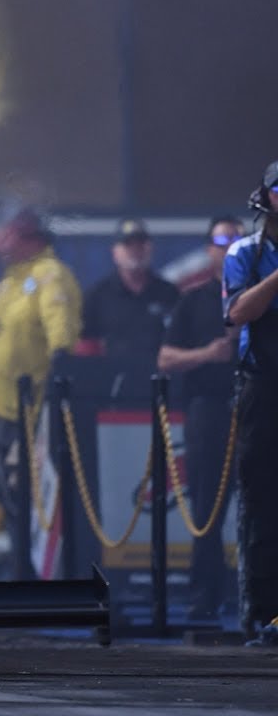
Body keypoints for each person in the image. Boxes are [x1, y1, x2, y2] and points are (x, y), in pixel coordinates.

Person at [0, 209, 83, 580]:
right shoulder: (11, 280)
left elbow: (60, 329)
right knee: (8, 492)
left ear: (28, 238)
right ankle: (19, 558)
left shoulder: (48, 275)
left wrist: (58, 369)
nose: (0, 243)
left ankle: (31, 567)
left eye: (8, 235)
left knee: (27, 489)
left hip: (30, 406)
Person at [158, 216, 244, 622]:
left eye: (236, 239)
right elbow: (166, 358)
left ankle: (258, 595)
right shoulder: (193, 300)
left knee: (263, 507)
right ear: (209, 248)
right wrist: (209, 354)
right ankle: (205, 594)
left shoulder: (259, 296)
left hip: (256, 408)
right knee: (207, 507)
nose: (228, 246)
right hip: (209, 408)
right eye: (221, 240)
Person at [223, 161, 278, 645]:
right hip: (263, 385)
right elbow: (238, 311)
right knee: (260, 502)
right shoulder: (246, 252)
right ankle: (262, 615)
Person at [78, 218, 180, 372]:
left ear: (150, 249)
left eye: (140, 245)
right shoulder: (97, 296)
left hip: (158, 384)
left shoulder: (170, 294)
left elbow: (180, 343)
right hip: (112, 385)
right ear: (115, 252)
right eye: (128, 245)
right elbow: (86, 346)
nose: (135, 251)